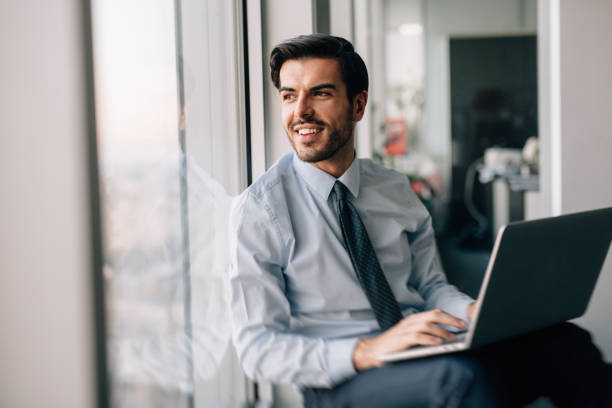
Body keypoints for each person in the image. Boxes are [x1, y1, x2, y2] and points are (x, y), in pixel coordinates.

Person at [228, 34, 611, 407]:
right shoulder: (260, 211)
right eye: (289, 95)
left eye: (321, 93)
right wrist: (367, 350)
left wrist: (472, 311)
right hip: (341, 378)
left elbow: (430, 285)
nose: (301, 111)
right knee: (460, 380)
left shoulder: (393, 189)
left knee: (567, 345)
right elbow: (258, 348)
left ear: (358, 105)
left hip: (421, 351)